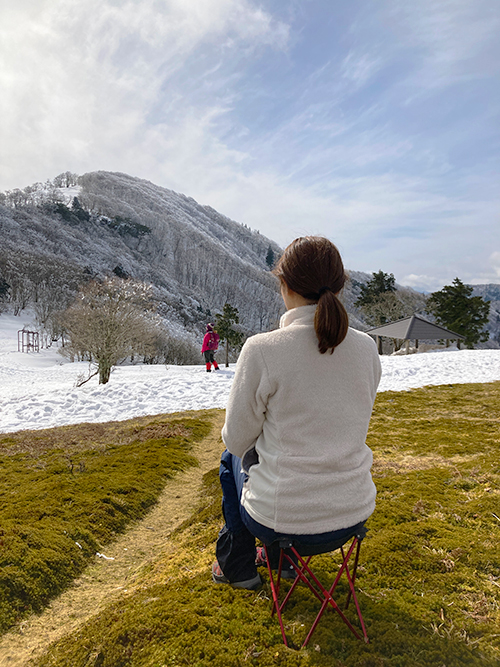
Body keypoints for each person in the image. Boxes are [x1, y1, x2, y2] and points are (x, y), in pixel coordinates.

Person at [212, 236, 382, 589]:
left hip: (282, 520)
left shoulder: (263, 350)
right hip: (353, 512)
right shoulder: (367, 349)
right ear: (340, 285)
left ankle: (238, 567)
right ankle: (284, 562)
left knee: (229, 459)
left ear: (284, 286)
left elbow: (237, 438)